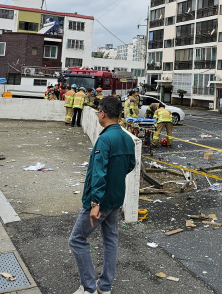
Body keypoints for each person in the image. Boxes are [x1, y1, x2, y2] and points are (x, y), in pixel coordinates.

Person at [68, 96, 135, 294]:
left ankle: (88, 288)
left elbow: (98, 173)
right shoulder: (127, 137)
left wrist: (95, 203)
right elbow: (130, 165)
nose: (98, 114)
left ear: (103, 114)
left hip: (101, 201)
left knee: (77, 240)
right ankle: (105, 286)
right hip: (116, 199)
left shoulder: (104, 139)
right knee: (110, 240)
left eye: (98, 111)